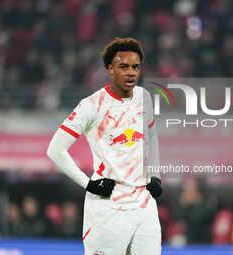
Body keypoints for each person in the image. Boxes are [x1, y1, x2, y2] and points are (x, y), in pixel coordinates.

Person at [47, 37, 162, 254]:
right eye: (123, 67)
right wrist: (89, 184)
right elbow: (55, 149)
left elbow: (152, 136)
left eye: (135, 67)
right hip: (108, 206)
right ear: (110, 68)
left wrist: (154, 174)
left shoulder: (144, 97)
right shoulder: (91, 105)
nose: (131, 72)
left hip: (144, 205)